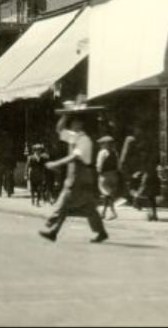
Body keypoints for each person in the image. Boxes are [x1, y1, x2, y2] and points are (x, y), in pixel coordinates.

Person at [37, 98, 109, 244]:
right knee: (88, 207)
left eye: (74, 122)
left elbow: (74, 158)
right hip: (76, 177)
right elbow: (59, 130)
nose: (72, 125)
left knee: (64, 202)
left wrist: (55, 164)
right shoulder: (74, 137)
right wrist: (66, 114)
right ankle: (100, 232)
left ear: (80, 124)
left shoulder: (84, 140)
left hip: (80, 177)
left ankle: (52, 227)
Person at [95, 135, 121, 220]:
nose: (101, 145)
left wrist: (98, 172)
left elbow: (99, 164)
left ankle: (113, 212)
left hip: (105, 175)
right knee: (108, 195)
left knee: (106, 194)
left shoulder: (102, 152)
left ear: (106, 144)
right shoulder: (115, 152)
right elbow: (118, 165)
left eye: (102, 143)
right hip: (114, 174)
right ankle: (103, 213)